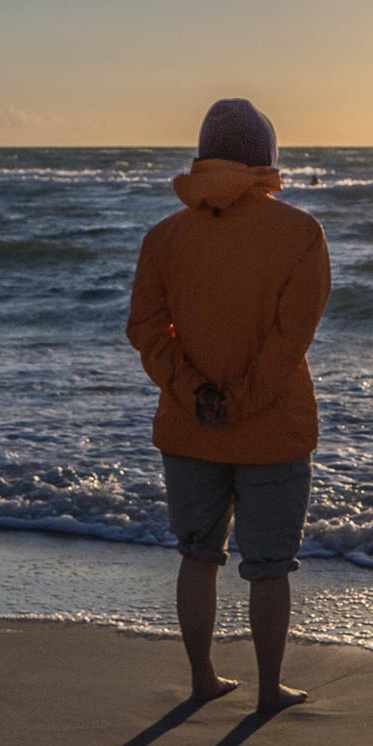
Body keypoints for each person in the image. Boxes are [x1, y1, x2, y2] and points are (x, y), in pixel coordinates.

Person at [127, 98, 330, 714]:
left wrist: (197, 395)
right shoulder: (299, 233)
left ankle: (202, 680)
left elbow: (144, 329)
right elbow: (289, 341)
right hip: (273, 427)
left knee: (198, 554)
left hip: (190, 428)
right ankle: (269, 690)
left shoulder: (164, 236)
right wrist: (241, 401)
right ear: (266, 158)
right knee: (269, 566)